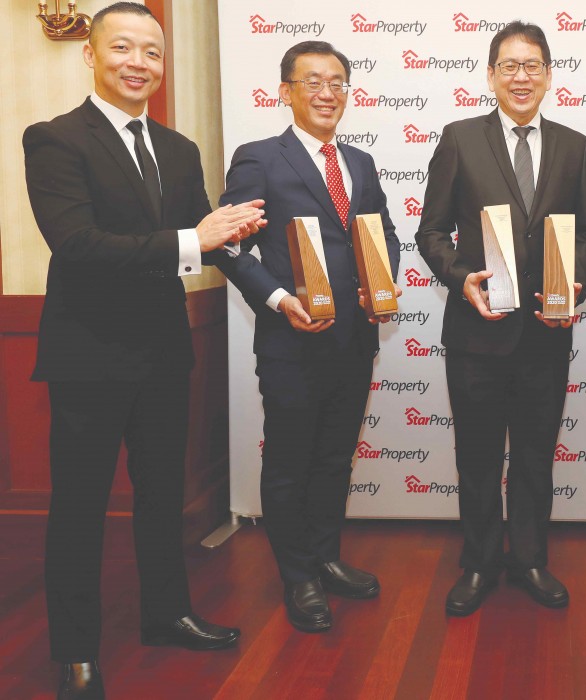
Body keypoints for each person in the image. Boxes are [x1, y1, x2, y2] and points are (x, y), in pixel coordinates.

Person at [22, 3, 265, 698]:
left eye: (152, 52)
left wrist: (243, 235)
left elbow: (201, 238)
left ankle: (168, 613)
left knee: (163, 499)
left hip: (163, 352)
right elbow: (80, 247)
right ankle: (74, 651)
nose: (139, 62)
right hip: (89, 359)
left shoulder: (180, 149)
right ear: (90, 56)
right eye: (123, 48)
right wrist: (200, 240)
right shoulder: (55, 140)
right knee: (79, 507)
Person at [415, 21, 586, 615]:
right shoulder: (459, 138)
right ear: (491, 74)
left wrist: (574, 284)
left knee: (533, 454)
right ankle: (478, 563)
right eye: (509, 66)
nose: (521, 76)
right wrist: (458, 275)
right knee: (476, 454)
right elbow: (431, 230)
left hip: (547, 333)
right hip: (477, 330)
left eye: (533, 66)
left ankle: (528, 558)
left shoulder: (575, 145)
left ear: (549, 74)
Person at [216, 40, 399, 635]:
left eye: (338, 82)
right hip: (291, 341)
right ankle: (296, 576)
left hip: (353, 341)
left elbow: (382, 234)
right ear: (286, 91)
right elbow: (229, 242)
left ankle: (324, 556)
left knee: (332, 458)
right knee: (291, 460)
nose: (327, 93)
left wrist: (381, 282)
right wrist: (277, 298)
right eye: (313, 82)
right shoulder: (259, 158)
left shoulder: (362, 164)